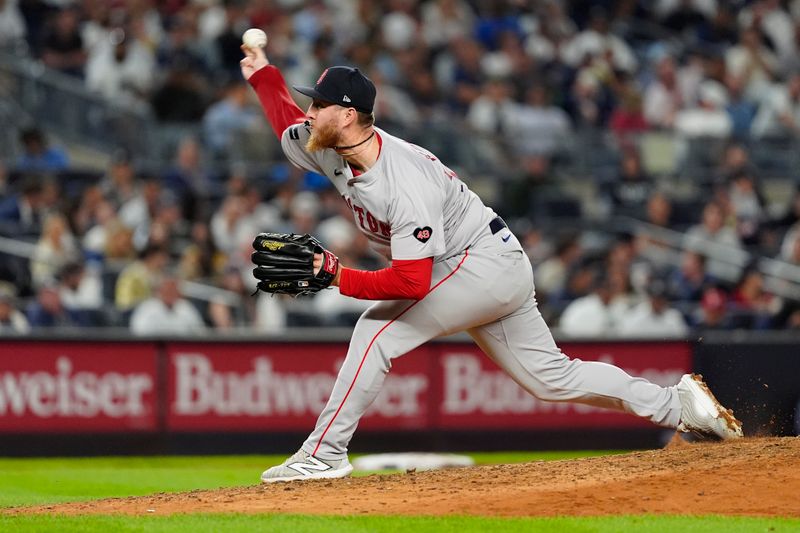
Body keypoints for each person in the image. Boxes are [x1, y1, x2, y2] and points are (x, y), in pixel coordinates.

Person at [239, 43, 743, 483]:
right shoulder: (327, 145)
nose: (310, 112)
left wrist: (336, 277)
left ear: (347, 116)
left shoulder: (403, 181)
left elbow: (412, 283)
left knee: (375, 334)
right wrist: (264, 74)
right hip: (485, 263)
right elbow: (286, 120)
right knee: (551, 378)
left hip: (478, 262)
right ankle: (679, 406)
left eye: (320, 105)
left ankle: (323, 455)